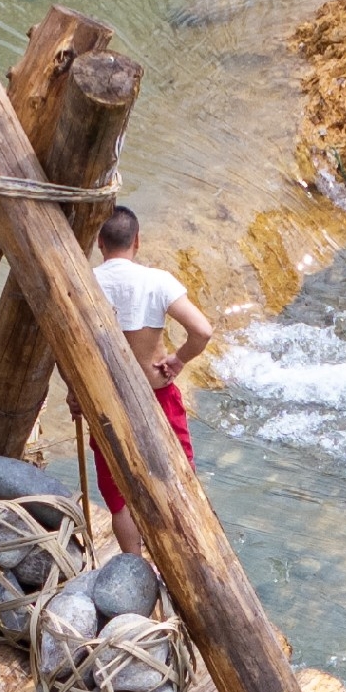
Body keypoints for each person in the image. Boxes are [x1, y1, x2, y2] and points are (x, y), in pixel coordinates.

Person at [88, 206, 221, 562]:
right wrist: (179, 359)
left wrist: (74, 392)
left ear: (100, 243)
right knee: (179, 477)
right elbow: (202, 331)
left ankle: (134, 566)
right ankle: (191, 557)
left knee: (119, 496)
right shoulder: (157, 280)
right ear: (137, 241)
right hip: (156, 393)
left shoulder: (87, 282)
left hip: (106, 399)